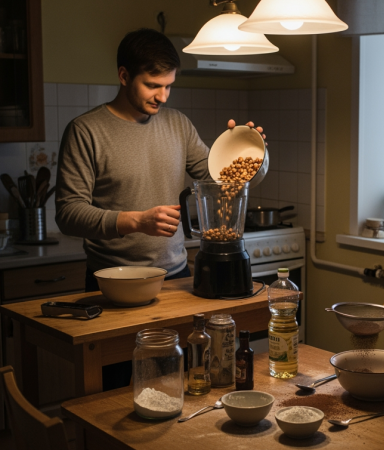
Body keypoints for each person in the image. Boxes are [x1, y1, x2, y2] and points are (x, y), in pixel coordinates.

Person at [55, 28, 264, 389]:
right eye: (153, 85)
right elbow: (68, 213)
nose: (162, 96)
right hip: (114, 286)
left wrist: (252, 154)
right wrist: (136, 220)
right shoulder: (85, 131)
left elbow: (220, 179)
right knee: (119, 394)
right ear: (124, 76)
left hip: (177, 280)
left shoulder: (178, 124)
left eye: (169, 85)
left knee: (183, 386)